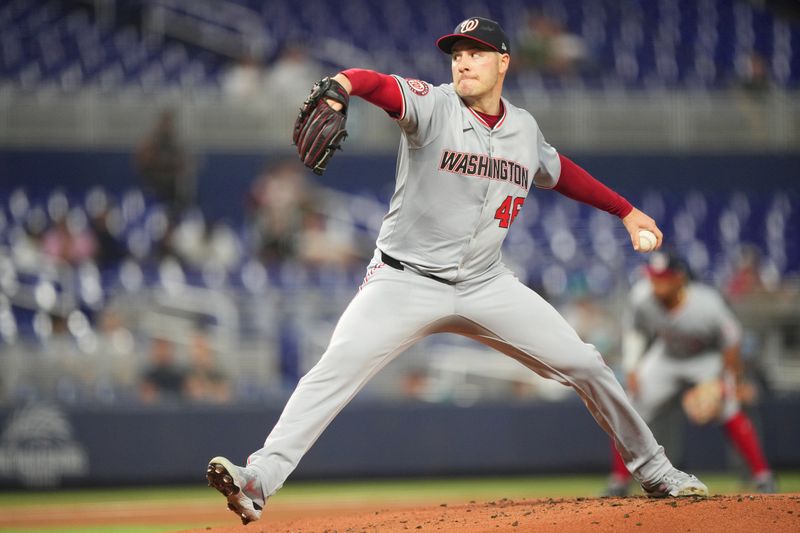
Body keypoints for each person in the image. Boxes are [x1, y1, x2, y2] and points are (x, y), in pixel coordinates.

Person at [206, 18, 708, 525]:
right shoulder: (434, 104)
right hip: (404, 280)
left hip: (486, 283)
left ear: (503, 62)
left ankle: (657, 471)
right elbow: (378, 84)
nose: (463, 61)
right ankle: (259, 479)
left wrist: (625, 211)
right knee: (333, 369)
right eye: (457, 54)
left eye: (477, 53)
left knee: (586, 364)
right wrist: (342, 86)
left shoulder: (524, 129)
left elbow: (561, 173)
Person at [604, 250, 776, 496]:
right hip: (667, 356)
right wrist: (632, 367)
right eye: (653, 276)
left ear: (679, 278)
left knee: (729, 408)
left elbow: (732, 340)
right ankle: (618, 481)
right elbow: (636, 330)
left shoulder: (706, 303)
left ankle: (763, 476)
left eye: (663, 277)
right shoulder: (642, 295)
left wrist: (729, 381)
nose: (656, 282)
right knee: (630, 408)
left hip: (705, 358)